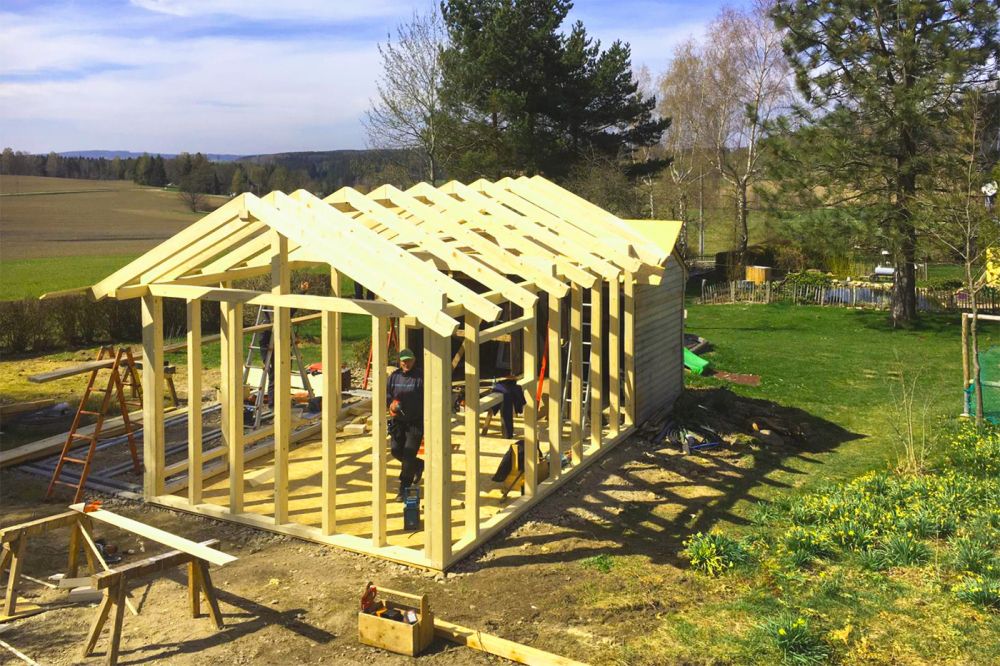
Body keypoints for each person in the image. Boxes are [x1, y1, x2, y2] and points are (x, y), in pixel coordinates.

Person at [387, 348, 424, 501]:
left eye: (409, 360)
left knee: (408, 454)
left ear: (414, 360)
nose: (406, 363)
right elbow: (387, 396)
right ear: (400, 361)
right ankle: (418, 465)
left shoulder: (420, 377)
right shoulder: (394, 377)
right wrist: (391, 405)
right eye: (404, 360)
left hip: (415, 422)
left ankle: (404, 488)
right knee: (396, 451)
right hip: (398, 422)